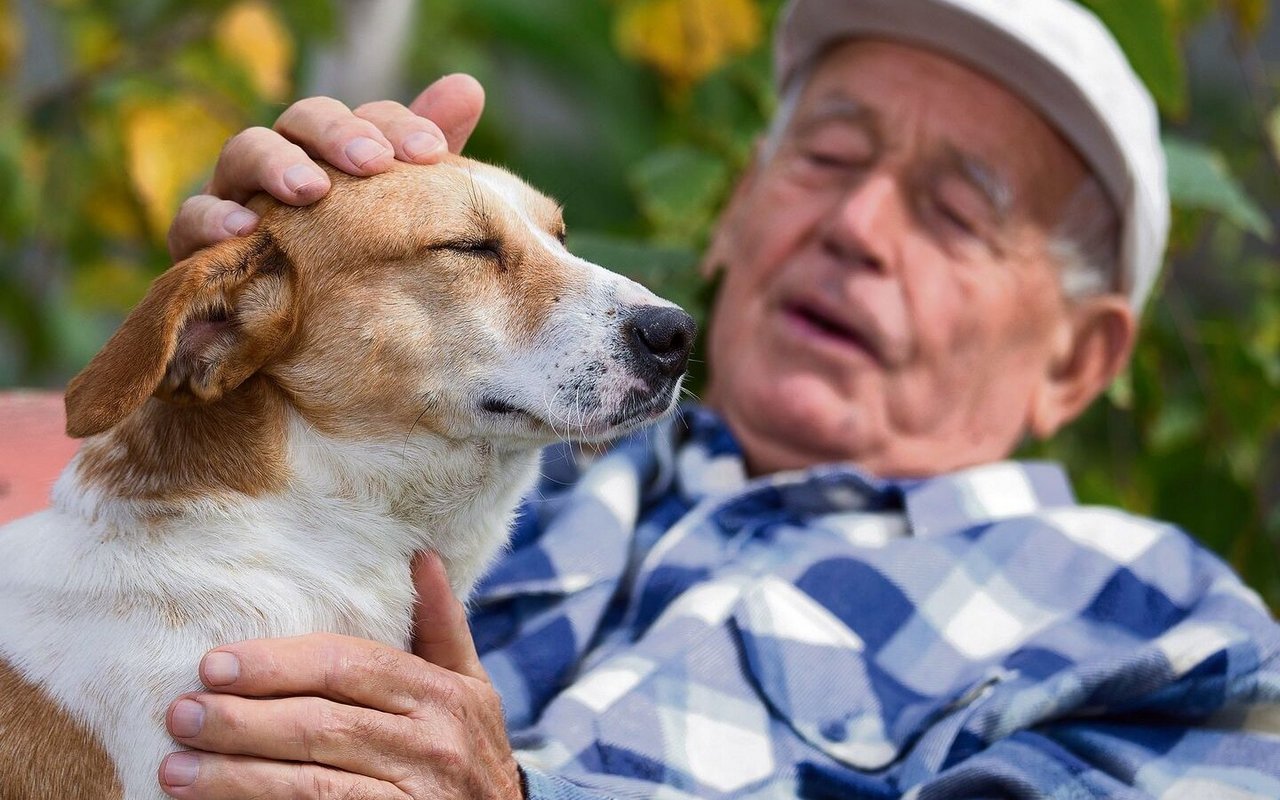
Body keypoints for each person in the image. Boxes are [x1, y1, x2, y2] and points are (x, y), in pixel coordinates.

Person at [155, 0, 1280, 797]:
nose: (855, 228)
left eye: (955, 213)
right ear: (737, 211)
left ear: (1078, 360)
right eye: (830, 157)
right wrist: (279, 300)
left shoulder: (1154, 622)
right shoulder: (482, 434)